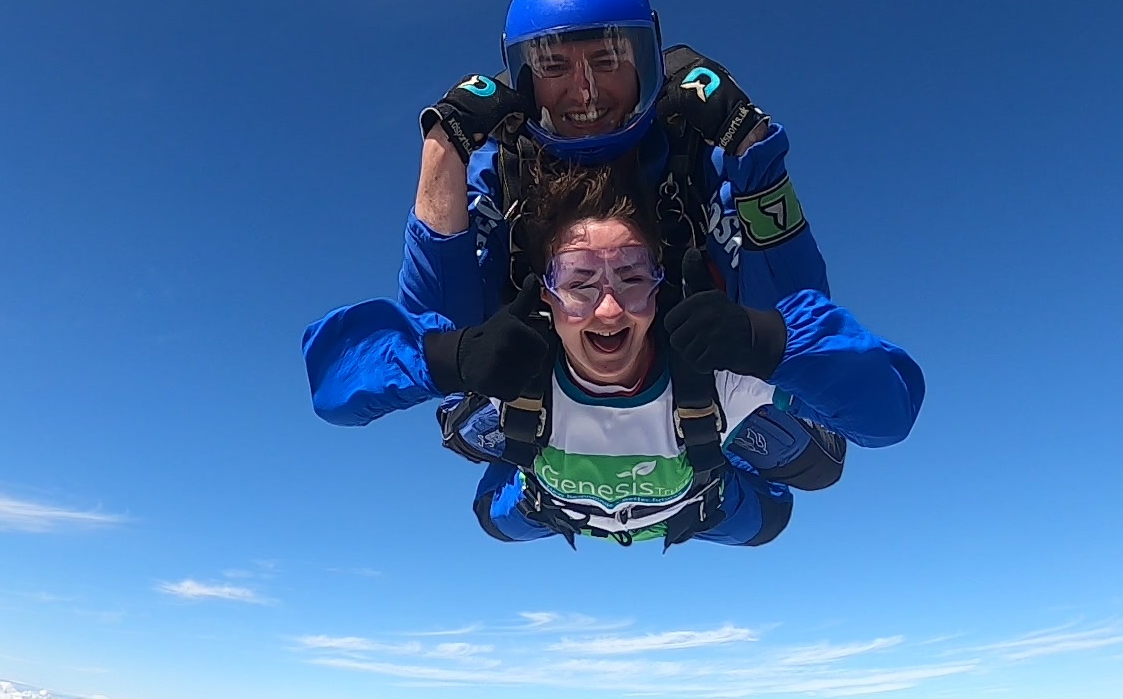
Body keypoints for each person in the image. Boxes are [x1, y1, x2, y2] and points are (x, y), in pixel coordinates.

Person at [303, 161, 923, 548]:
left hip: (699, 504)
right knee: (490, 515)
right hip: (547, 504)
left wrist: (765, 342)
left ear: (661, 286)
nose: (607, 308)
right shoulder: (516, 365)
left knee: (799, 491)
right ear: (545, 294)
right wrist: (452, 356)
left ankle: (760, 443)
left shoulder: (711, 370)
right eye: (578, 280)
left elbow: (888, 411)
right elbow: (332, 386)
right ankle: (491, 436)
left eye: (631, 276)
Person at [405, 0, 830, 331]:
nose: (585, 91)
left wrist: (751, 144)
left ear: (647, 61)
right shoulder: (502, 165)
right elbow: (436, 336)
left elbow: (794, 322)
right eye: (553, 66)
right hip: (544, 406)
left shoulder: (694, 151)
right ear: (524, 81)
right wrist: (444, 145)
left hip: (704, 403)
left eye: (607, 60)